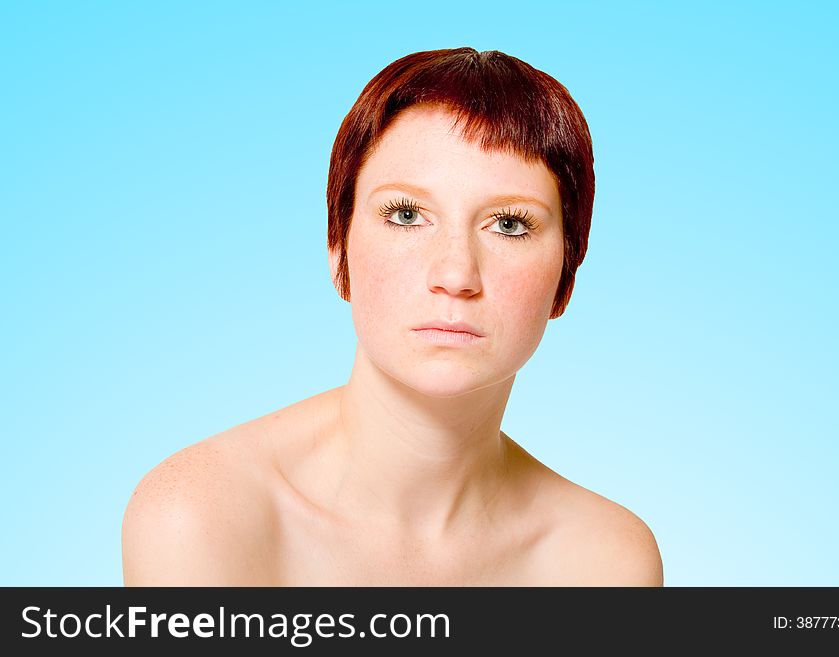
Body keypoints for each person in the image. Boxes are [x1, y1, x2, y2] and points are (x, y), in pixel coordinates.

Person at [122, 47, 663, 586]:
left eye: (510, 225)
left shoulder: (605, 563)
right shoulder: (202, 516)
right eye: (406, 215)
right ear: (339, 250)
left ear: (566, 275)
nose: (456, 273)